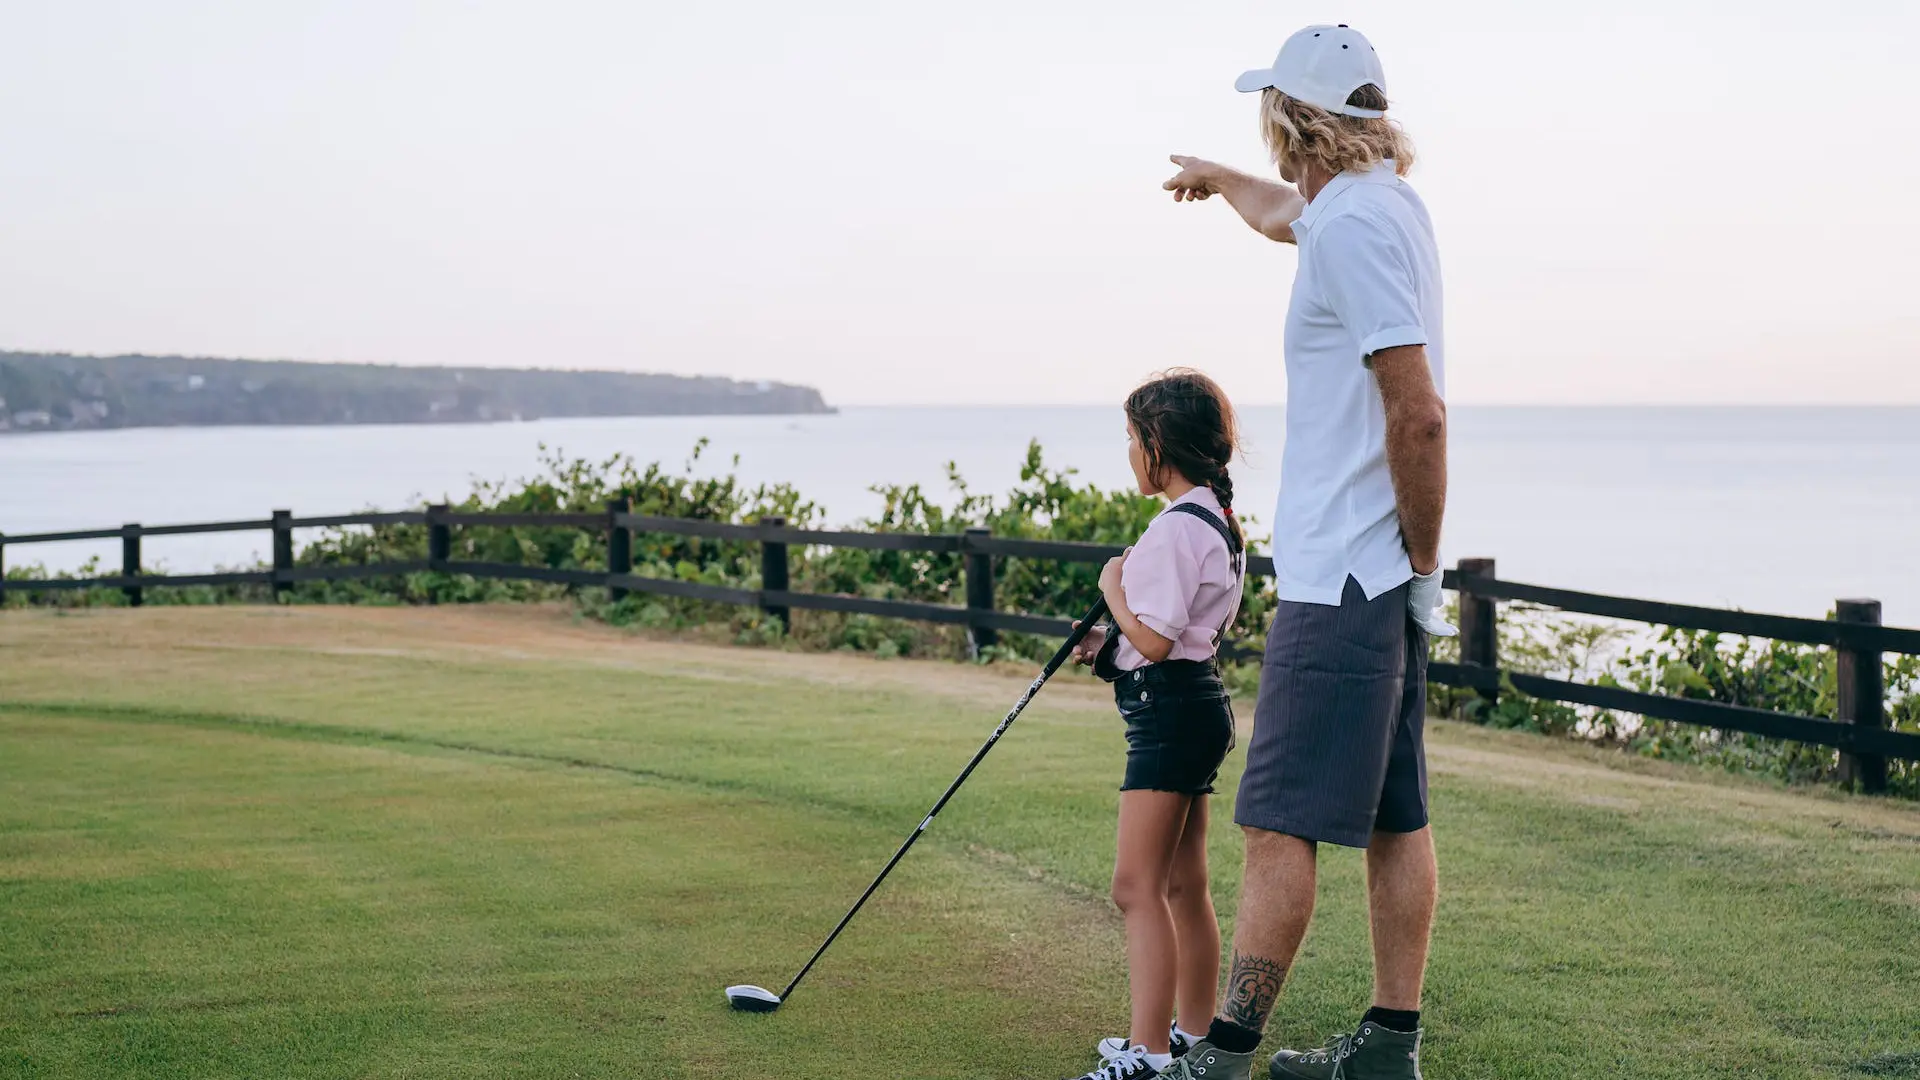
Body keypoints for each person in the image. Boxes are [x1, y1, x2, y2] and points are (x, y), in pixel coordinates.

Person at [1147, 25, 1455, 1080]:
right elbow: (1289, 214)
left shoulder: (1354, 230)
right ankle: (1386, 1048)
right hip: (1377, 578)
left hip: (1347, 581)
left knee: (1276, 822)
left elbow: (1418, 416)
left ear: (1297, 121)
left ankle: (1222, 1056)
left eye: (1267, 115)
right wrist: (1220, 178)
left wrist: (1417, 569)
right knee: (1392, 819)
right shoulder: (1373, 208)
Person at [1059, 370, 1250, 1080]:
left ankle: (1148, 1055)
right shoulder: (1219, 522)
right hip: (1193, 706)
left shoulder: (1175, 529)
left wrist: (1112, 590)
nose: (1131, 453)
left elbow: (1161, 642)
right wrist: (1106, 648)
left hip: (1169, 714)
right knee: (1181, 886)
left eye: (1134, 439)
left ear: (1159, 445)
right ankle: (1193, 1039)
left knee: (1136, 887)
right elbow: (1175, 638)